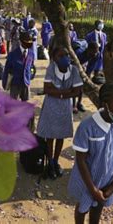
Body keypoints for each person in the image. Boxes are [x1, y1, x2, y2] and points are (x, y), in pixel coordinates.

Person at [68, 83, 113, 224]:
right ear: (106, 105)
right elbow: (80, 160)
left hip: (108, 181)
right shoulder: (88, 127)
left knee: (98, 207)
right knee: (82, 208)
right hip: (87, 180)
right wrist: (93, 189)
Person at [37, 47, 83, 179]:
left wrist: (57, 92)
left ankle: (55, 161)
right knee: (50, 136)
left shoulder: (73, 70)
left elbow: (78, 90)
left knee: (61, 136)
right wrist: (66, 92)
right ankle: (50, 162)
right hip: (52, 107)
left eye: (67, 55)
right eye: (60, 55)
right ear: (54, 58)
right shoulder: (51, 68)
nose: (64, 58)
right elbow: (47, 89)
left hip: (63, 108)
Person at [2, 30, 35, 102]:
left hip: (26, 83)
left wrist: (31, 75)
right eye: (27, 42)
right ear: (21, 41)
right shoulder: (13, 54)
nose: (29, 44)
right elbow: (7, 70)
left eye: (30, 42)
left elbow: (32, 67)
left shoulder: (31, 54)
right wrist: (5, 83)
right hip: (15, 83)